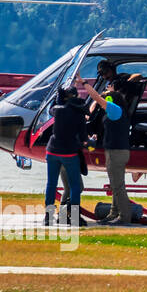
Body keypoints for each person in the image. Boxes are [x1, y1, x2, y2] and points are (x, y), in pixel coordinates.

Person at [78, 78, 134, 225]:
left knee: (118, 186)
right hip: (113, 151)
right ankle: (113, 213)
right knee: (115, 184)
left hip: (117, 152)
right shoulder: (115, 112)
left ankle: (124, 217)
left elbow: (96, 98)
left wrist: (84, 84)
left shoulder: (116, 110)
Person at [44, 86, 88, 227]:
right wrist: (90, 140)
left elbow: (51, 107)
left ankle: (48, 217)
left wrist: (58, 96)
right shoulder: (79, 112)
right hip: (69, 152)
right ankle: (74, 217)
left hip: (52, 151)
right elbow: (83, 137)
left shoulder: (57, 110)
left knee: (51, 184)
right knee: (75, 186)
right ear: (76, 96)